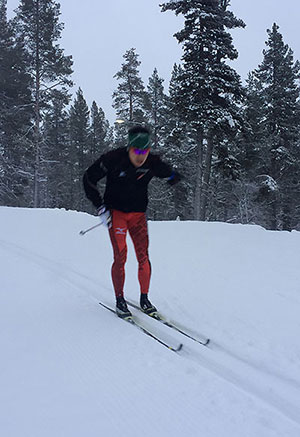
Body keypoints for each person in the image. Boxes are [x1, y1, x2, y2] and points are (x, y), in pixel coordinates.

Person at [83, 125, 181, 318]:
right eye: (136, 151)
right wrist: (100, 207)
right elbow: (88, 179)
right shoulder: (112, 159)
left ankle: (145, 298)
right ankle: (120, 300)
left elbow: (169, 173)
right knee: (121, 256)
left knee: (143, 256)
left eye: (145, 151)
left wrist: (173, 176)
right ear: (129, 148)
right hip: (116, 215)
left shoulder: (151, 162)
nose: (140, 156)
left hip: (138, 216)